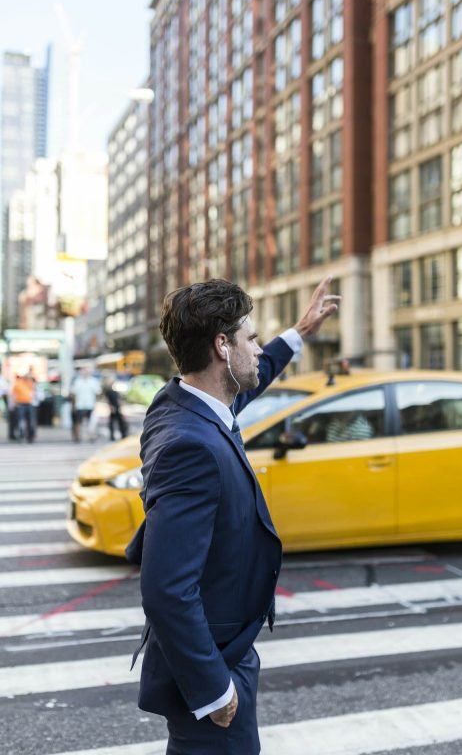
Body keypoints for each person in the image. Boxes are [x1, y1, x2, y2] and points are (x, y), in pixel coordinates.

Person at [129, 276, 339, 755]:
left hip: (220, 649)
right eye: (252, 339)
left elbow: (245, 386)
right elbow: (166, 589)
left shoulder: (181, 404)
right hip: (211, 663)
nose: (259, 349)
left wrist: (299, 333)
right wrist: (213, 689)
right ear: (222, 346)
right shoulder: (191, 445)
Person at [69, 368, 101, 442]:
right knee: (78, 422)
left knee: (91, 422)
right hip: (79, 405)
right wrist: (73, 405)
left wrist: (96, 403)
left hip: (90, 404)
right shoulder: (77, 381)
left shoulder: (93, 381)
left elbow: (98, 393)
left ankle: (91, 436)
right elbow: (73, 394)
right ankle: (78, 437)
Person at [11, 373, 35, 443]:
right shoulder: (18, 384)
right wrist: (14, 403)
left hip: (29, 404)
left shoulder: (29, 383)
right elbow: (13, 394)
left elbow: (33, 392)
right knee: (21, 421)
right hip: (20, 404)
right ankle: (21, 435)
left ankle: (30, 437)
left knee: (30, 421)